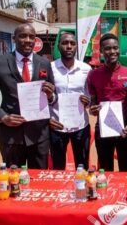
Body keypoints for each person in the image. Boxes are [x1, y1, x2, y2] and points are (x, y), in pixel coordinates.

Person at [0, 23, 55, 169]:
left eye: (31, 37)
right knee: (13, 182)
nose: (28, 40)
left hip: (39, 136)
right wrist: (3, 117)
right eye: (23, 36)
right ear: (14, 38)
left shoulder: (45, 63)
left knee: (39, 181)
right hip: (11, 136)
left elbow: (54, 96)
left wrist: (50, 95)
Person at [87, 33, 127, 171]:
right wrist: (92, 109)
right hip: (103, 126)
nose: (112, 51)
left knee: (125, 166)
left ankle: (126, 192)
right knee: (105, 168)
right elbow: (93, 102)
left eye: (115, 48)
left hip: (124, 128)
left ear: (119, 49)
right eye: (107, 48)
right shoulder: (93, 75)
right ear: (101, 51)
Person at [48, 32, 92, 169]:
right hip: (57, 126)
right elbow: (45, 97)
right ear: (59, 46)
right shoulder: (50, 68)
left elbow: (91, 95)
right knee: (58, 166)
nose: (69, 46)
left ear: (76, 47)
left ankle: (81, 190)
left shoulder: (86, 69)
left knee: (82, 166)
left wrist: (88, 101)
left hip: (80, 126)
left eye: (72, 44)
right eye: (65, 43)